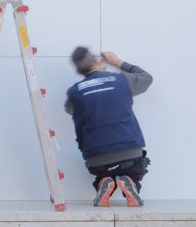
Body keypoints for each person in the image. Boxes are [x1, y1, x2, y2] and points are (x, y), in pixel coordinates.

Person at [63, 47, 153, 207]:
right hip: (129, 152)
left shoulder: (74, 92)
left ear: (79, 71)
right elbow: (147, 78)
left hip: (96, 159)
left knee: (102, 173)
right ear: (97, 61)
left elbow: (69, 109)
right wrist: (117, 62)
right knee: (135, 169)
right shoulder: (121, 81)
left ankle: (104, 181)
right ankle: (131, 182)